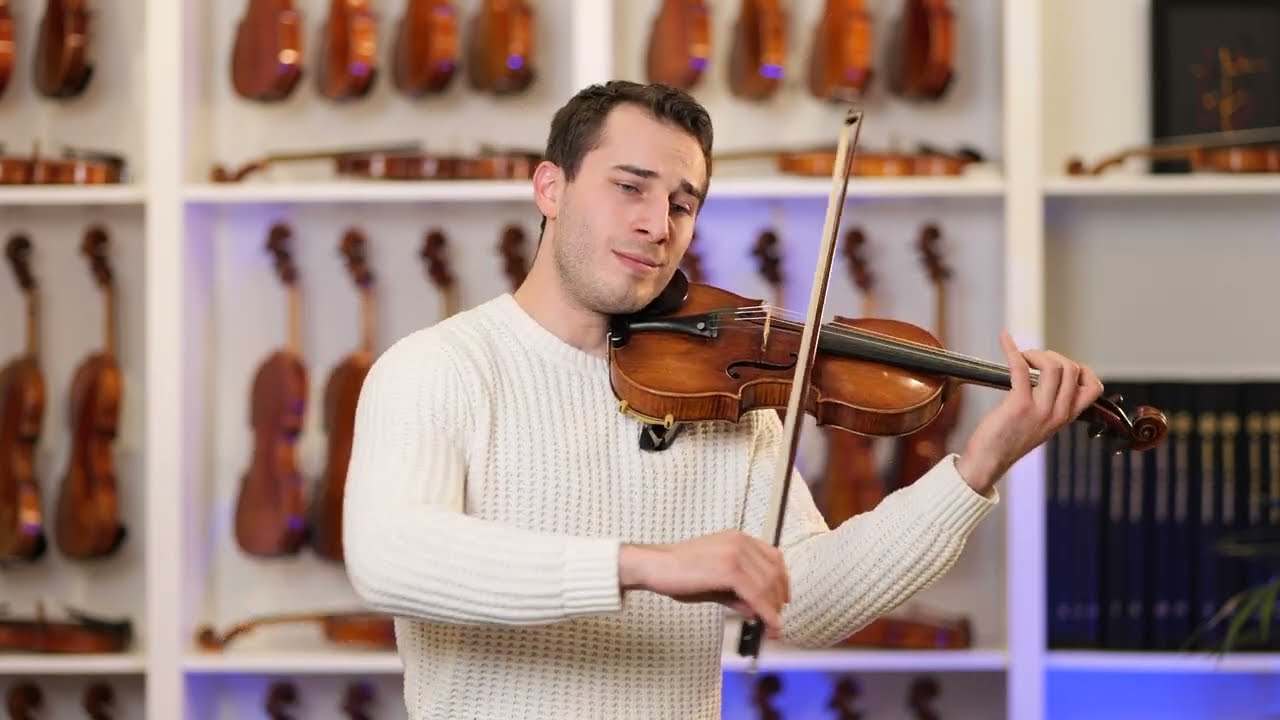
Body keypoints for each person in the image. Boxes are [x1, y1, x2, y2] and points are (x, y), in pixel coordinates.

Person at [342, 80, 1103, 719]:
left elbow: (804, 602)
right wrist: (643, 565)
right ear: (551, 186)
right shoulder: (439, 367)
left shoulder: (725, 395)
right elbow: (389, 554)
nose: (656, 224)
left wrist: (978, 468)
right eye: (629, 187)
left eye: (683, 202)